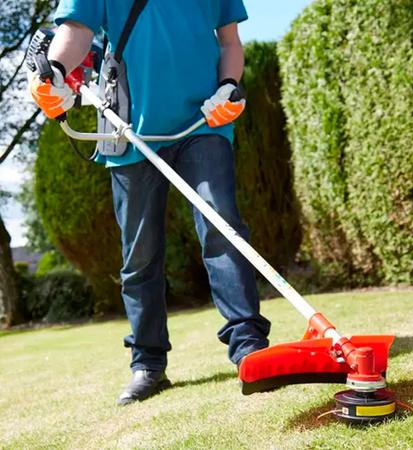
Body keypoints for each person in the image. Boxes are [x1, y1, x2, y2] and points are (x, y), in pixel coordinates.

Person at [29, 0, 271, 406]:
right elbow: (77, 31)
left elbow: (229, 41)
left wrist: (230, 85)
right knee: (139, 255)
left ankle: (249, 346)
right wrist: (53, 71)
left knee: (222, 227)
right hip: (128, 128)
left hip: (203, 121)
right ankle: (148, 364)